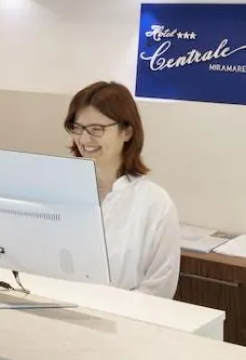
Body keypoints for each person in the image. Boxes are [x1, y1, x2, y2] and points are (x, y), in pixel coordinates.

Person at [64, 81, 180, 298]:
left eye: (97, 129)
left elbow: (160, 289)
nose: (84, 139)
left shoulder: (156, 205)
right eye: (78, 128)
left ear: (126, 132)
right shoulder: (61, 192)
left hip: (126, 318)